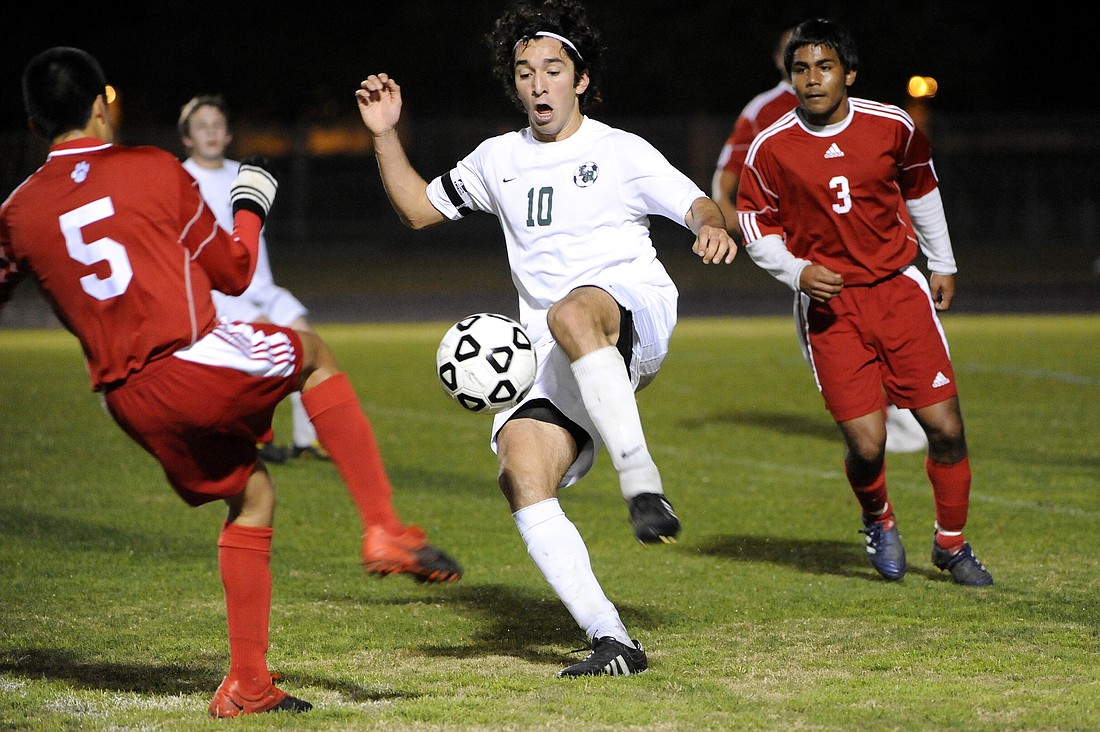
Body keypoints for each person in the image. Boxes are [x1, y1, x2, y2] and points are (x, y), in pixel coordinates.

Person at [1, 47, 462, 718]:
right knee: (314, 353)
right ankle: (385, 528)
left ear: (36, 121)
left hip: (128, 400)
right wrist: (249, 206)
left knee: (253, 497)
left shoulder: (17, 211)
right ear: (102, 103)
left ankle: (248, 683)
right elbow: (236, 272)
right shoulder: (149, 167)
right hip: (190, 357)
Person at [356, 0, 736, 676]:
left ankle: (642, 483)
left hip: (631, 313)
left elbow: (698, 203)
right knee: (521, 474)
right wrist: (385, 133)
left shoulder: (619, 151)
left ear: (580, 80)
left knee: (571, 311)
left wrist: (710, 225)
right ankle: (612, 639)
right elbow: (417, 209)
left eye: (553, 70)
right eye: (525, 72)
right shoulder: (498, 159)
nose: (538, 84)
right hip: (550, 354)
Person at [736, 19, 992, 587]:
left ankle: (951, 544)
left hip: (899, 291)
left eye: (824, 67)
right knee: (867, 443)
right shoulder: (770, 146)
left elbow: (921, 187)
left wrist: (942, 262)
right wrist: (797, 271)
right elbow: (755, 225)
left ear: (848, 73)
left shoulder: (890, 124)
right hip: (832, 309)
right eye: (800, 69)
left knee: (945, 427)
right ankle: (878, 518)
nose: (811, 78)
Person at [712, 26, 927, 454]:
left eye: (823, 61)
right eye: (797, 57)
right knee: (832, 328)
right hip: (811, 251)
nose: (812, 70)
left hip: (871, 246)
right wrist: (735, 222)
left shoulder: (860, 111)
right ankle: (870, 415)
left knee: (888, 323)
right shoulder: (764, 111)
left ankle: (903, 410)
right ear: (783, 61)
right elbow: (728, 176)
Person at [179, 94, 326, 464]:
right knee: (269, 358)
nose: (211, 133)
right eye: (202, 127)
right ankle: (255, 438)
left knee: (310, 348)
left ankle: (307, 441)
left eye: (217, 126)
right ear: (187, 138)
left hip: (264, 286)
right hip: (225, 291)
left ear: (228, 134)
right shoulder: (181, 180)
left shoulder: (245, 172)